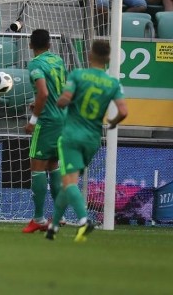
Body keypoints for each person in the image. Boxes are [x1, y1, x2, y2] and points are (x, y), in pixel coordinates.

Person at [46, 39, 128, 242]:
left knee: (69, 181)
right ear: (109, 59)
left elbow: (64, 99)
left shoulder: (78, 75)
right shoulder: (113, 83)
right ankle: (53, 227)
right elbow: (124, 111)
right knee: (69, 183)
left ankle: (84, 220)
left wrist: (62, 101)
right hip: (93, 139)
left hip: (72, 136)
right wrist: (114, 122)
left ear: (89, 56)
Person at [21, 29, 67, 233]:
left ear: (30, 45)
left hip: (47, 122)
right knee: (54, 164)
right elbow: (59, 90)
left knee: (37, 167)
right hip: (63, 119)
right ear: (49, 44)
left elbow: (44, 93)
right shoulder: (57, 60)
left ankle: (39, 219)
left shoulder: (35, 64)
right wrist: (39, 103)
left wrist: (33, 120)